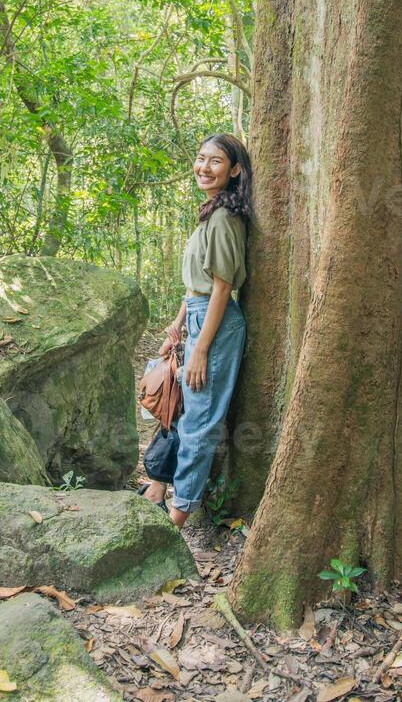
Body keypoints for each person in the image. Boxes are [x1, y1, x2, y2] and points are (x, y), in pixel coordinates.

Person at [140, 132, 253, 528]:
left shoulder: (224, 218)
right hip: (196, 315)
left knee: (199, 423)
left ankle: (178, 516)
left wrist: (201, 348)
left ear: (235, 170)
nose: (204, 167)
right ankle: (157, 487)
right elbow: (197, 284)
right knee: (178, 406)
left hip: (216, 325)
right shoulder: (210, 211)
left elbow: (222, 287)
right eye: (201, 158)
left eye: (216, 161)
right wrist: (177, 326)